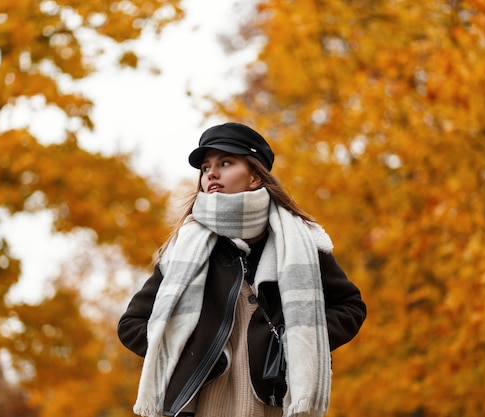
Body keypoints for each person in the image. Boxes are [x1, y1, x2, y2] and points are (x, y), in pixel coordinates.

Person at [118, 122, 366, 417]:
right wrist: (190, 351)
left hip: (273, 403)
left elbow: (350, 307)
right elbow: (131, 324)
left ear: (254, 177)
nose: (211, 173)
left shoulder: (302, 242)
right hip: (199, 405)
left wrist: (291, 346)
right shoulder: (185, 249)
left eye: (225, 162)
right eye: (206, 167)